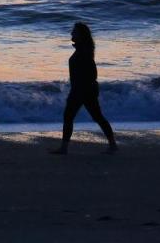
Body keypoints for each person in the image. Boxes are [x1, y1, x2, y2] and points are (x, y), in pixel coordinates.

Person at [50, 21, 118, 155]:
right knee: (96, 117)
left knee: (70, 116)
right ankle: (112, 144)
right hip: (83, 89)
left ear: (81, 35)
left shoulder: (84, 51)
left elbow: (93, 72)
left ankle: (64, 148)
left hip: (82, 90)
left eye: (74, 31)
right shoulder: (83, 49)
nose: (71, 33)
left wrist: (82, 88)